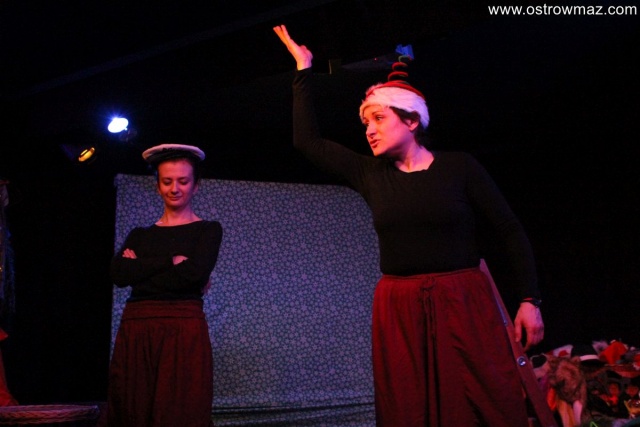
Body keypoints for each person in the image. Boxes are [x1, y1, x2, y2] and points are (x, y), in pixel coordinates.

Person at [273, 25, 545, 427]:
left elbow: (509, 230)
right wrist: (303, 69)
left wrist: (529, 300)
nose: (369, 129)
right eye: (366, 122)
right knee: (409, 404)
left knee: (483, 399)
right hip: (400, 307)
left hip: (462, 301)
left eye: (378, 118)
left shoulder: (459, 167)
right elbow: (307, 142)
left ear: (412, 120)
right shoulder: (370, 174)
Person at [106, 144, 223, 427]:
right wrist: (171, 261)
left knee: (180, 409)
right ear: (158, 186)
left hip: (182, 328)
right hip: (138, 328)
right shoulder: (140, 234)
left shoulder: (207, 230)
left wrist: (141, 268)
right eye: (167, 181)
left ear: (195, 186)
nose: (174, 188)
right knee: (134, 407)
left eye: (183, 181)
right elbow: (119, 274)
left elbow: (193, 275)